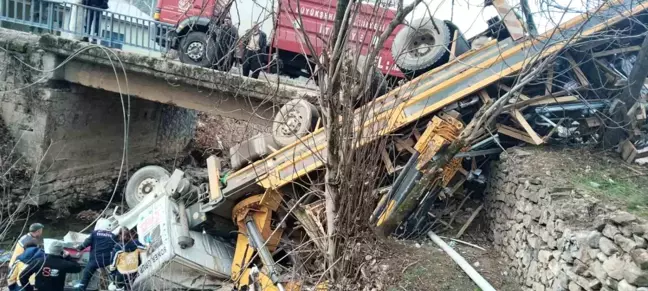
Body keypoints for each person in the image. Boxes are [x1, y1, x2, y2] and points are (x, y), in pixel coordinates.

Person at [75, 219, 117, 291]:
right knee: (113, 279)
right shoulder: (113, 236)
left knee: (85, 278)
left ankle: (81, 288)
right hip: (107, 262)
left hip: (94, 261)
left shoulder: (94, 234)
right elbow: (116, 247)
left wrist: (78, 248)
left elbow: (86, 243)